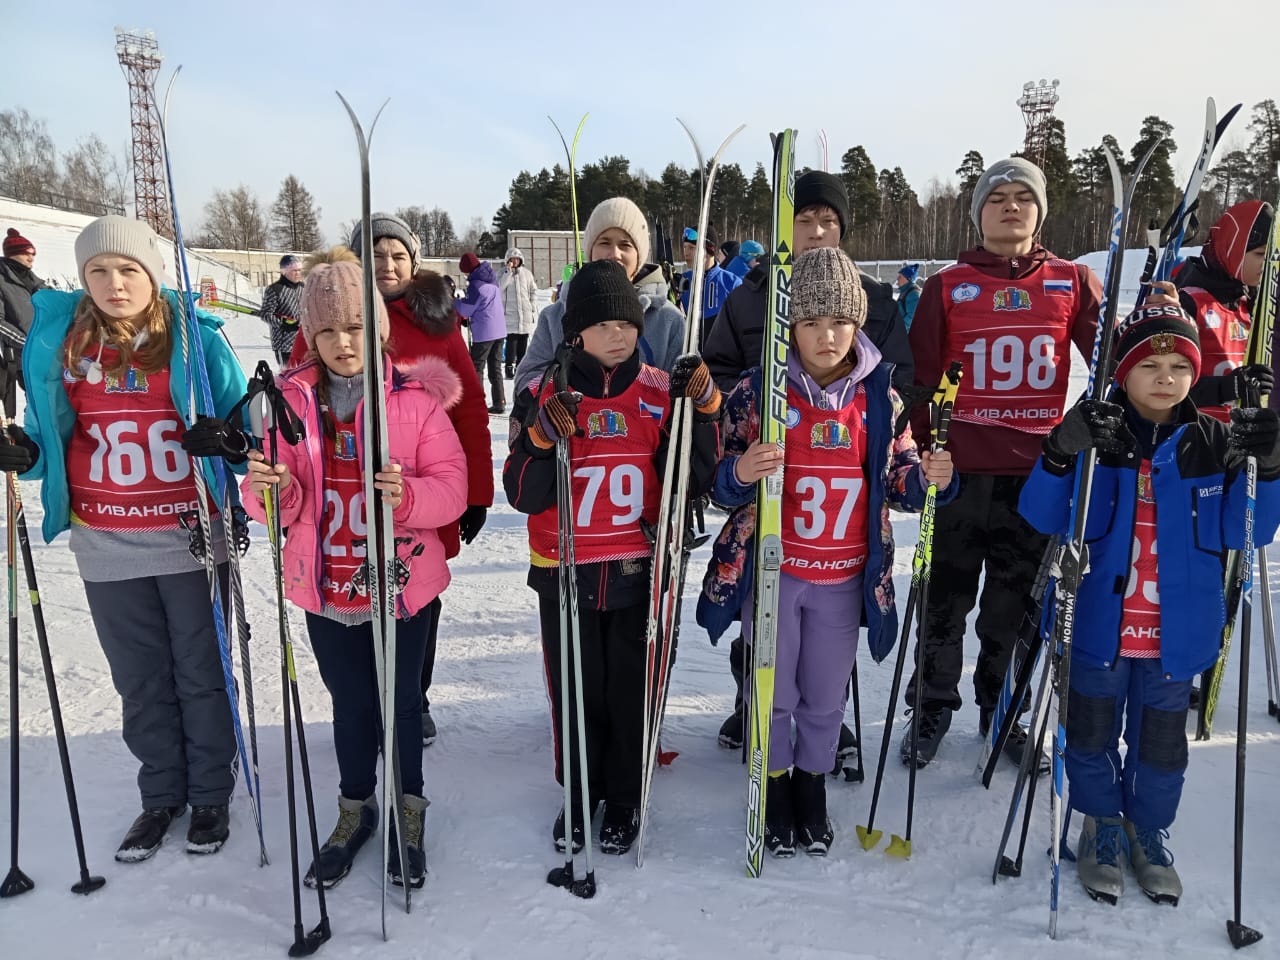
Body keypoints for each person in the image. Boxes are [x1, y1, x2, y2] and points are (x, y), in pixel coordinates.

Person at [0, 214, 246, 862]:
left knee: (201, 672)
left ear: (152, 274)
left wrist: (229, 439)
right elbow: (48, 441)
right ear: (82, 279)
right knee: (140, 678)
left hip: (188, 534)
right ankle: (160, 794)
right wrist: (24, 453)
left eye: (128, 269)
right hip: (105, 538)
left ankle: (211, 793)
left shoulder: (195, 339)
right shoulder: (63, 343)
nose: (113, 282)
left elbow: (244, 430)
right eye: (98, 271)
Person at [1019, 303, 1280, 906]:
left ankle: (1147, 829)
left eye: (1179, 365)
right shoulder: (1097, 433)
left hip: (1177, 634)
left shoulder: (1213, 443)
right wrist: (1061, 450)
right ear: (1123, 372)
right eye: (1149, 364)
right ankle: (1101, 826)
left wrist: (1265, 467)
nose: (1166, 377)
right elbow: (1041, 513)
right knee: (1088, 735)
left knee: (1161, 746)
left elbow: (1248, 531)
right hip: (1096, 627)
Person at [697, 247, 956, 856]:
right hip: (777, 574)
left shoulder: (879, 399)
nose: (826, 335)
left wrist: (929, 478)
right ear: (791, 326)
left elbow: (899, 477)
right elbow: (720, 483)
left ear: (858, 323)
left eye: (839, 321)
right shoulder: (761, 392)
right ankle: (777, 784)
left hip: (842, 578)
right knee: (775, 694)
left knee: (823, 695)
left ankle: (811, 786)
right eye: (810, 322)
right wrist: (741, 469)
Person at [236, 248, 468, 890]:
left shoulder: (415, 402)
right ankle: (354, 808)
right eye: (329, 330)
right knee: (350, 703)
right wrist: (273, 486)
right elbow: (267, 505)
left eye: (357, 328)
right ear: (310, 335)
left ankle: (408, 810)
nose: (343, 343)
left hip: (399, 583)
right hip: (326, 583)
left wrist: (410, 495)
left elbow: (454, 485)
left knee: (398, 704)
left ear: (379, 331)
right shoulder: (291, 402)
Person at [503, 259, 720, 857]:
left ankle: (625, 795)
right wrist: (542, 439)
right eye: (603, 325)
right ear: (575, 333)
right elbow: (522, 492)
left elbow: (691, 477)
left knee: (630, 687)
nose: (619, 335)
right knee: (576, 688)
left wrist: (704, 409)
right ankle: (580, 793)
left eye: (627, 323)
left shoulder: (656, 390)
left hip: (635, 569)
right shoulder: (547, 392)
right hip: (565, 569)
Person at [701, 170, 914, 756]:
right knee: (769, 634)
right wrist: (748, 402)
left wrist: (893, 450)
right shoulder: (752, 292)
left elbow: (895, 381)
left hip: (841, 477)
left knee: (827, 644)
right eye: (805, 219)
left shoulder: (869, 296)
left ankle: (820, 739)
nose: (817, 230)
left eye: (829, 222)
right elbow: (719, 375)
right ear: (784, 226)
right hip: (772, 474)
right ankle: (758, 717)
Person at [904, 157, 1103, 766]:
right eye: (998, 198)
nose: (1011, 206)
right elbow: (921, 375)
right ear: (979, 212)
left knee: (1014, 606)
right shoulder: (949, 283)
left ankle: (1004, 713)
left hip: (1036, 476)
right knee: (945, 600)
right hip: (960, 472)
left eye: (1023, 197)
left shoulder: (1071, 280)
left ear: (1039, 211)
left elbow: (1116, 365)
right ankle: (932, 708)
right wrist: (929, 445)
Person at [333, 212, 493, 746]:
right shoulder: (333, 320)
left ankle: (411, 699)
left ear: (414, 261)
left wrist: (474, 494)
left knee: (419, 591)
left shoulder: (438, 323)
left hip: (423, 489)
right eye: (376, 254)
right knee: (354, 595)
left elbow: (469, 408)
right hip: (347, 490)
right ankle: (365, 702)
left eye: (397, 254)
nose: (387, 263)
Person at [515, 197, 686, 395]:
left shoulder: (668, 319)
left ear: (639, 254)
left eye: (625, 245)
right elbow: (525, 383)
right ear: (590, 249)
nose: (614, 253)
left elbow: (686, 397)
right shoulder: (556, 315)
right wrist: (559, 394)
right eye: (605, 242)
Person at [1175, 200, 1275, 422]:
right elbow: (1162, 385)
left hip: (1242, 439)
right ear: (1233, 247)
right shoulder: (1188, 302)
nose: (1266, 265)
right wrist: (1227, 387)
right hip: (1195, 437)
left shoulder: (1250, 302)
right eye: (1260, 254)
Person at [0, 227, 44, 414]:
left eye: (33, 253)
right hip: (21, 353)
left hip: (45, 350)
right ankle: (34, 439)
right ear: (13, 254)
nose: (31, 258)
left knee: (52, 396)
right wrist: (25, 342)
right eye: (27, 253)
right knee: (36, 399)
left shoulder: (33, 280)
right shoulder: (2, 281)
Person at [457, 252, 507, 414]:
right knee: (495, 367)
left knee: (477, 367)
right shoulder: (491, 280)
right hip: (499, 330)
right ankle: (500, 401)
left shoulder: (476, 285)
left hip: (484, 332)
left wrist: (454, 302)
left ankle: (477, 402)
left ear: (468, 269)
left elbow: (466, 309)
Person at [679, 225, 741, 349]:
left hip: (722, 362)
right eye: (685, 247)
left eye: (691, 248)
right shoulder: (681, 281)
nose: (686, 252)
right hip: (690, 361)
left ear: (708, 250)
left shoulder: (732, 283)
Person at [500, 247, 538, 378]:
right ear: (508, 260)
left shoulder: (527, 274)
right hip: (510, 314)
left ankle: (521, 367)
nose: (515, 261)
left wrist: (532, 305)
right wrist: (508, 272)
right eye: (512, 259)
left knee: (523, 341)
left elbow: (533, 290)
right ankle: (509, 367)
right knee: (511, 342)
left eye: (517, 259)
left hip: (525, 313)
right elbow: (499, 288)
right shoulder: (502, 273)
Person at [260, 254, 304, 366]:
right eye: (294, 270)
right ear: (285, 271)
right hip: (284, 344)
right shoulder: (274, 289)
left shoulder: (303, 287)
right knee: (288, 376)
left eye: (300, 270)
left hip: (303, 342)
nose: (298, 273)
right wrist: (283, 323)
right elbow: (265, 314)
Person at [895, 263, 922, 331]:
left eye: (900, 277)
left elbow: (912, 317)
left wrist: (899, 330)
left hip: (907, 335)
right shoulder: (905, 291)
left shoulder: (913, 294)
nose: (897, 279)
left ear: (908, 279)